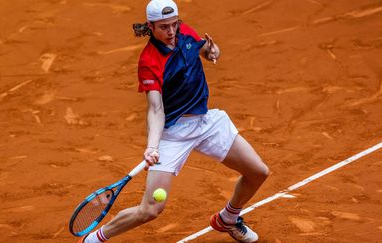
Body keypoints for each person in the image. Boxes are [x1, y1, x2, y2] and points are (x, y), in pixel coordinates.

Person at [80, 0, 269, 242]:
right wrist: (152, 146)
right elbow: (156, 109)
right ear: (150, 26)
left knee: (258, 172)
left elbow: (201, 50)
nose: (171, 32)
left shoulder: (184, 31)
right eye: (164, 27)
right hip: (173, 133)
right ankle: (93, 239)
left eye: (174, 24)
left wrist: (212, 51)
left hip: (206, 122)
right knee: (150, 210)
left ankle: (228, 218)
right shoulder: (149, 61)